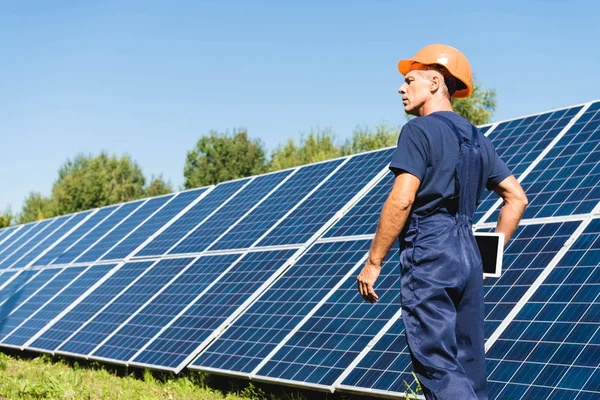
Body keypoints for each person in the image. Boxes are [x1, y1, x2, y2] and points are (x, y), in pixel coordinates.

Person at [356, 44, 528, 400]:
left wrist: (374, 262)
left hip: (431, 250)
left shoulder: (419, 131)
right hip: (468, 253)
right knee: (469, 366)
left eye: (410, 80)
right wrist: (488, 256)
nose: (401, 88)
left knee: (437, 364)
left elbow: (402, 200)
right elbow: (517, 198)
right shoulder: (478, 139)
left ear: (435, 82)